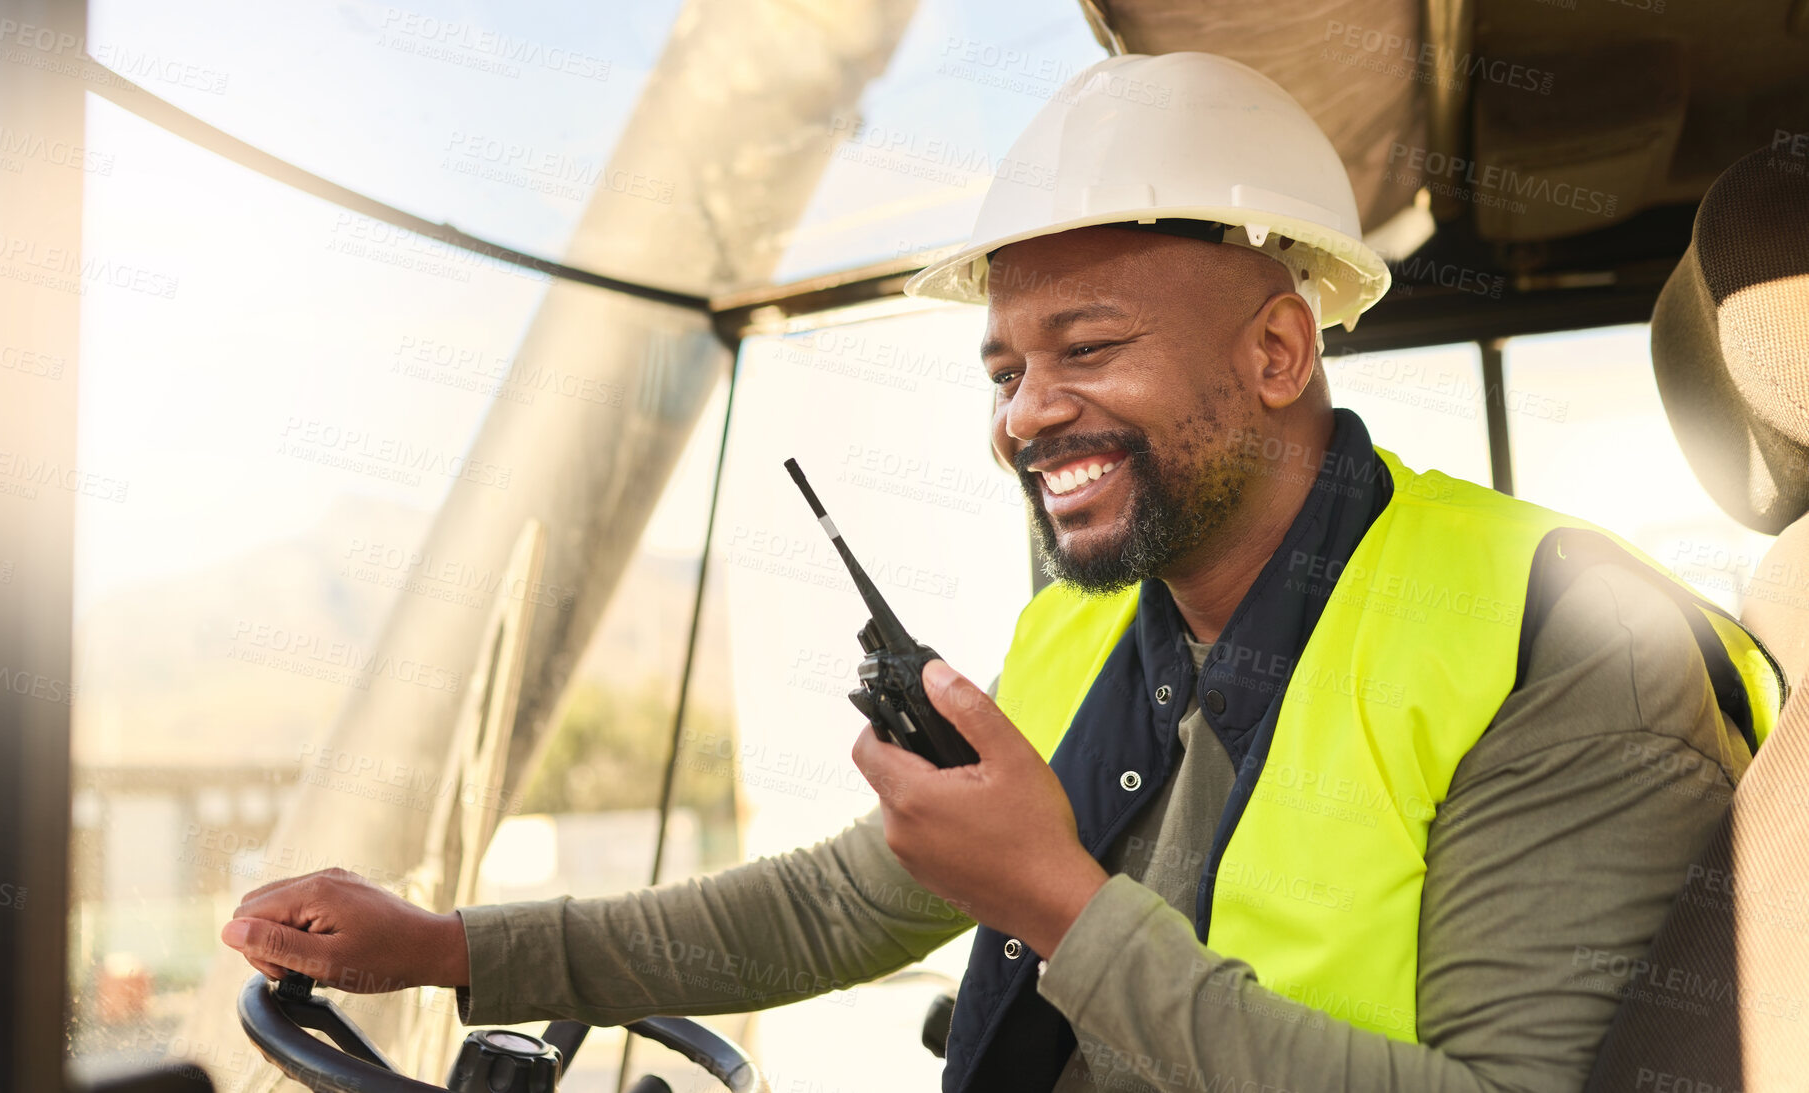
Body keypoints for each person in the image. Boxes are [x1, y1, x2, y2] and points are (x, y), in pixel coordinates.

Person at [221, 53, 1783, 1093]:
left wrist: (1059, 901)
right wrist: (453, 944)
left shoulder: (1566, 636)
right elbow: (842, 899)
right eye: (1003, 369)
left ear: (1276, 345)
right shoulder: (1082, 625)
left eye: (1085, 348)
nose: (1027, 415)